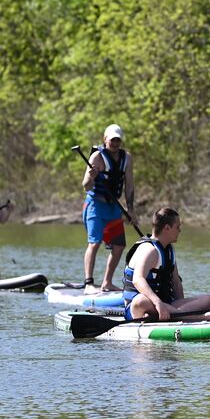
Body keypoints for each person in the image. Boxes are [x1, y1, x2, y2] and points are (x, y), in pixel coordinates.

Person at [121, 207, 210, 321]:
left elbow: (176, 282)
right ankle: (197, 318)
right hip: (139, 307)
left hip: (165, 305)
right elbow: (137, 280)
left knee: (208, 299)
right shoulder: (149, 250)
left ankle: (176, 316)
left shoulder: (169, 250)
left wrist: (181, 305)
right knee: (141, 301)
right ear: (167, 228)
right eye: (177, 227)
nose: (180, 231)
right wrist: (158, 303)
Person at [82, 123, 134, 292]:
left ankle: (107, 283)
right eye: (112, 140)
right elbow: (86, 186)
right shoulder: (96, 157)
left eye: (118, 140)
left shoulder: (127, 158)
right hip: (95, 206)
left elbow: (130, 185)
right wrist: (91, 176)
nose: (115, 143)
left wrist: (130, 209)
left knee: (119, 245)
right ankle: (89, 283)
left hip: (114, 208)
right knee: (94, 243)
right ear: (105, 139)